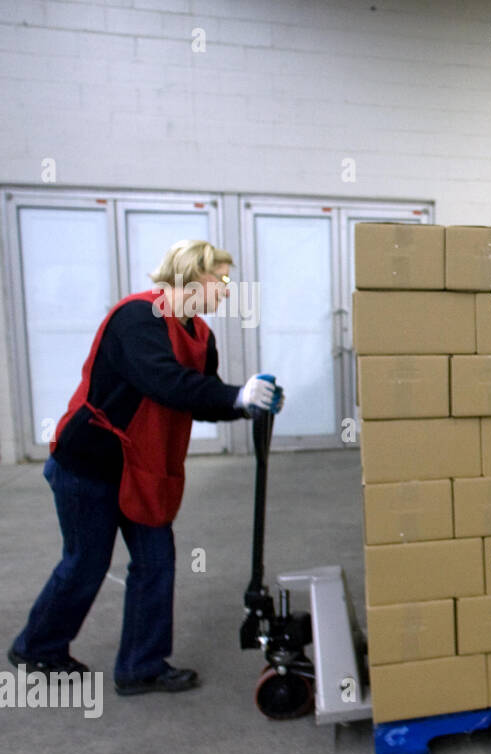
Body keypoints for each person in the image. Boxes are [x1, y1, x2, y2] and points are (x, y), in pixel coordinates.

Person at [8, 239, 286, 695]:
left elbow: (198, 395)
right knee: (86, 563)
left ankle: (141, 666)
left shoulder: (200, 335)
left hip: (146, 468)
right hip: (90, 465)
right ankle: (37, 647)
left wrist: (247, 404)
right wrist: (236, 394)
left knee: (156, 562)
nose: (228, 291)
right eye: (222, 279)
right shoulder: (137, 318)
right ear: (193, 275)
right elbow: (164, 382)